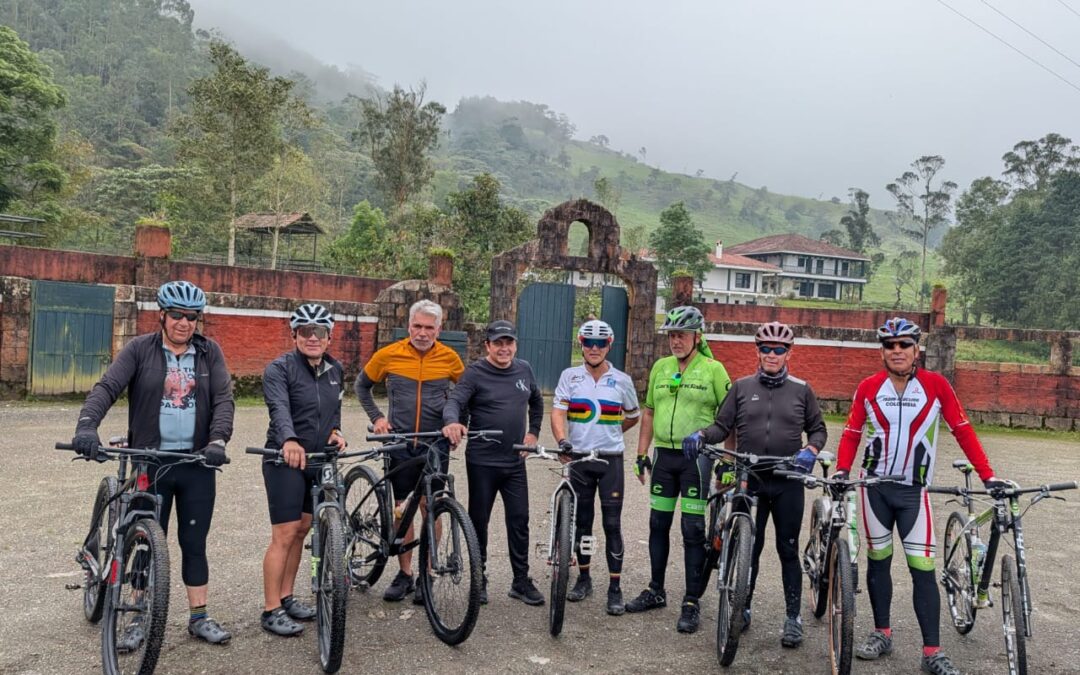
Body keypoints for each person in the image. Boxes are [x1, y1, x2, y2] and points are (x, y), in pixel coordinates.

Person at [834, 317, 1005, 675]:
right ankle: (882, 633)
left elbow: (963, 430)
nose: (896, 351)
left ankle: (932, 652)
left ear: (916, 350)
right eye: (889, 345)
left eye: (903, 345)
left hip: (914, 492)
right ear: (883, 351)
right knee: (878, 561)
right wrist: (841, 472)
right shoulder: (868, 387)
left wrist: (988, 476)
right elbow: (851, 432)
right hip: (874, 490)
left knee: (923, 570)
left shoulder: (936, 385)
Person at [71, 280, 234, 647]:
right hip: (150, 462)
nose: (184, 323)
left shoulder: (210, 354)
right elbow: (106, 388)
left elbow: (224, 400)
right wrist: (86, 426)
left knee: (194, 542)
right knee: (143, 542)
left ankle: (199, 617)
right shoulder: (140, 350)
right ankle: (137, 615)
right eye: (176, 315)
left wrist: (218, 440)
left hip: (196, 463)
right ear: (162, 315)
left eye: (192, 317)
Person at [683, 321, 827, 647]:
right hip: (751, 477)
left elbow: (818, 429)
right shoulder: (742, 387)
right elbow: (722, 425)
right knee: (752, 546)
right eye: (766, 348)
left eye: (779, 349)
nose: (772, 354)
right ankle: (742, 608)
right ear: (757, 351)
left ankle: (793, 617)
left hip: (787, 478)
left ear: (789, 352)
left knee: (787, 548)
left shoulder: (802, 389)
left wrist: (811, 450)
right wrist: (702, 435)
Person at [626, 305, 731, 634]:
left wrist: (727, 461)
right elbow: (648, 412)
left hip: (696, 461)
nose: (676, 341)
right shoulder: (661, 367)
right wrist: (642, 454)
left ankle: (691, 600)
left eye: (682, 335)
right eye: (672, 335)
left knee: (692, 531)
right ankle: (656, 590)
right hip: (663, 459)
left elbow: (730, 420)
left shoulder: (714, 369)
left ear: (697, 337)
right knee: (657, 523)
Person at [356, 299, 464, 604]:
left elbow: (467, 393)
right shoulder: (389, 354)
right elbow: (361, 386)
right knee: (402, 508)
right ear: (409, 326)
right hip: (400, 442)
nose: (422, 332)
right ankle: (405, 574)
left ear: (439, 329)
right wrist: (377, 418)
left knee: (432, 506)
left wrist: (457, 424)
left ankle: (427, 573)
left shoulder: (450, 358)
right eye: (417, 326)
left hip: (435, 443)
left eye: (429, 328)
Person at [442, 320, 545, 606]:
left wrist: (533, 432)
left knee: (519, 520)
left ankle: (520, 581)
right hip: (482, 462)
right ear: (487, 345)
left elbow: (536, 402)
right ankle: (480, 578)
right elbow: (455, 402)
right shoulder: (475, 373)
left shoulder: (524, 369)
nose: (503, 348)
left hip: (514, 462)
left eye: (508, 343)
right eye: (497, 343)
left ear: (515, 345)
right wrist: (451, 422)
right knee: (479, 521)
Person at [259, 303, 345, 636]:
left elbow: (332, 413)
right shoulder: (279, 369)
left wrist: (335, 433)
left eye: (319, 332)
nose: (313, 338)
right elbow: (279, 408)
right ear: (294, 335)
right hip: (284, 460)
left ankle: (287, 596)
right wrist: (289, 440)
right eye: (305, 331)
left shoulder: (335, 370)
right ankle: (270, 609)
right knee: (284, 533)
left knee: (302, 530)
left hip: (317, 461)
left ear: (328, 337)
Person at [551, 320, 640, 615]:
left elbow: (633, 416)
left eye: (600, 343)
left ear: (609, 345)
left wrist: (612, 434)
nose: (593, 348)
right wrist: (563, 440)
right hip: (580, 459)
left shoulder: (622, 380)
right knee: (584, 523)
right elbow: (558, 411)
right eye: (588, 342)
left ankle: (615, 588)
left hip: (610, 459)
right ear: (580, 342)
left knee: (612, 525)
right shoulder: (570, 376)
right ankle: (585, 578)